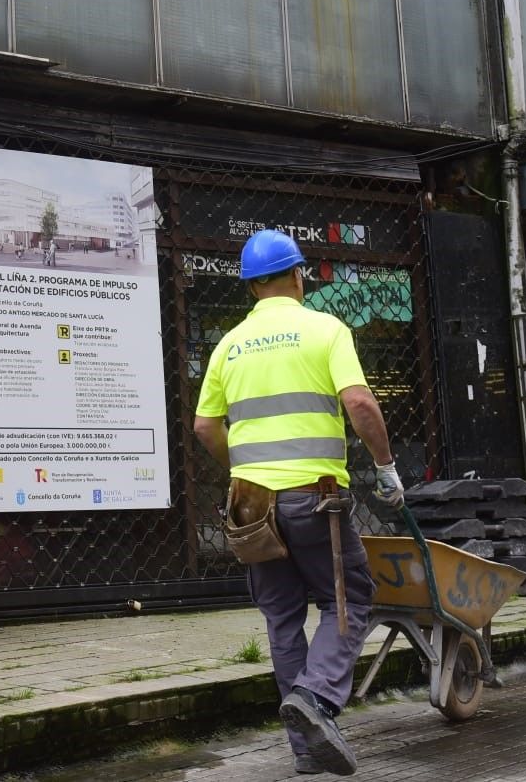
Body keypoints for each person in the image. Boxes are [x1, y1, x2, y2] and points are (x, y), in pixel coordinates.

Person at [192, 229, 403, 777]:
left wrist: (242, 469)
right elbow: (358, 401)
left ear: (249, 288)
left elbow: (204, 425)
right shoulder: (326, 329)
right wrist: (384, 467)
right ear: (297, 275)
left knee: (282, 617)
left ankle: (306, 750)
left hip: (251, 505)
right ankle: (317, 699)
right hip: (315, 500)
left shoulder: (228, 344)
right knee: (350, 599)